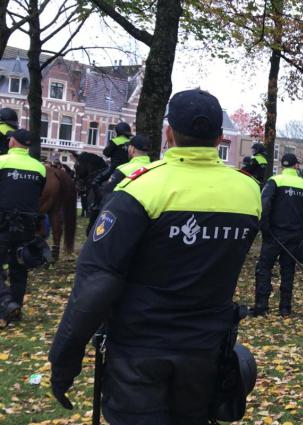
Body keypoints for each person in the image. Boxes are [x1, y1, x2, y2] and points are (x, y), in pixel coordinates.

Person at [48, 89, 262, 422]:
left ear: (168, 133)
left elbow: (96, 283)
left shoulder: (140, 189)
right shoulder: (248, 192)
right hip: (206, 352)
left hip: (140, 352)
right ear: (219, 137)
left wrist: (64, 358)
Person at [251, 153, 303, 317]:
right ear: (296, 166)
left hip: (273, 234)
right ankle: (285, 307)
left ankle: (261, 306)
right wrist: (302, 236)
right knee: (288, 270)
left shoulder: (274, 181)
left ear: (283, 165)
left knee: (264, 268)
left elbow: (264, 204)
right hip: (294, 237)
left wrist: (264, 228)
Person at [0, 130, 46, 325]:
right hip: (27, 226)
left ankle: (6, 301)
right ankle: (15, 313)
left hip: (2, 222)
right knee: (19, 268)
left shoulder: (1, 162)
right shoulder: (40, 168)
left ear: (12, 142)